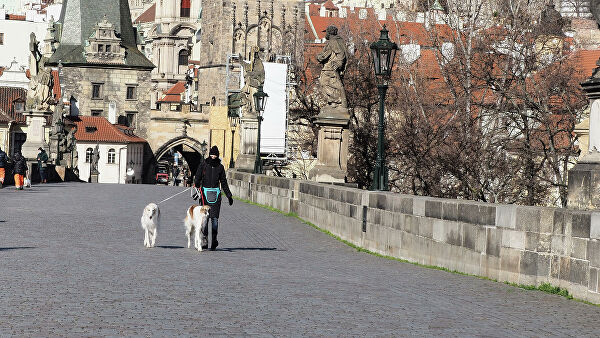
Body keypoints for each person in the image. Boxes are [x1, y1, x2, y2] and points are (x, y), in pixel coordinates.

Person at [193, 146, 234, 251]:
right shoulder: (203, 164)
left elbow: (223, 182)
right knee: (204, 220)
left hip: (216, 195)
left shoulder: (220, 167)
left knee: (214, 219)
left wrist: (229, 195)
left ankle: (214, 240)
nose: (213, 156)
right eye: (212, 154)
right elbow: (197, 177)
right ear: (209, 154)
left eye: (215, 155)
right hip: (204, 195)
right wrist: (197, 183)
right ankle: (205, 240)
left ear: (217, 155)